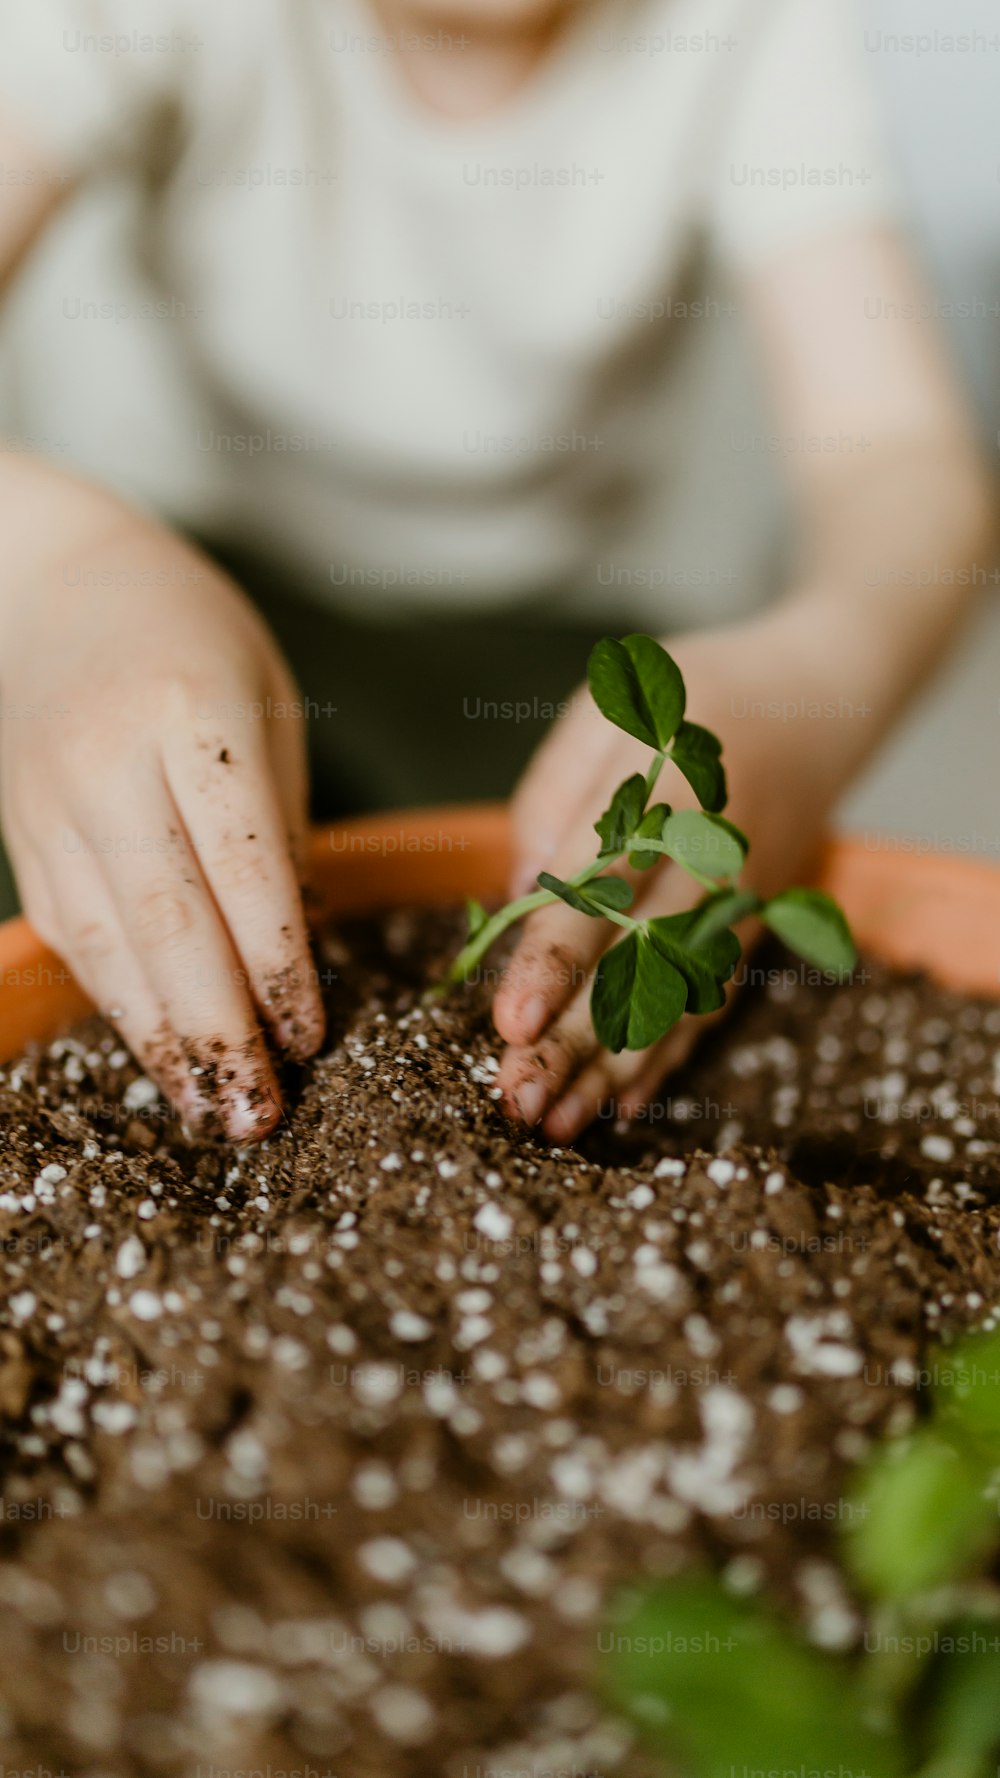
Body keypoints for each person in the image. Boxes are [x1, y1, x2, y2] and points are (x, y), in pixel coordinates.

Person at [0, 0, 991, 1144]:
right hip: (168, 605)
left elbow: (905, 458)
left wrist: (815, 664)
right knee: (97, 856)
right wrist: (57, 571)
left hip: (542, 655)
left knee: (584, 922)